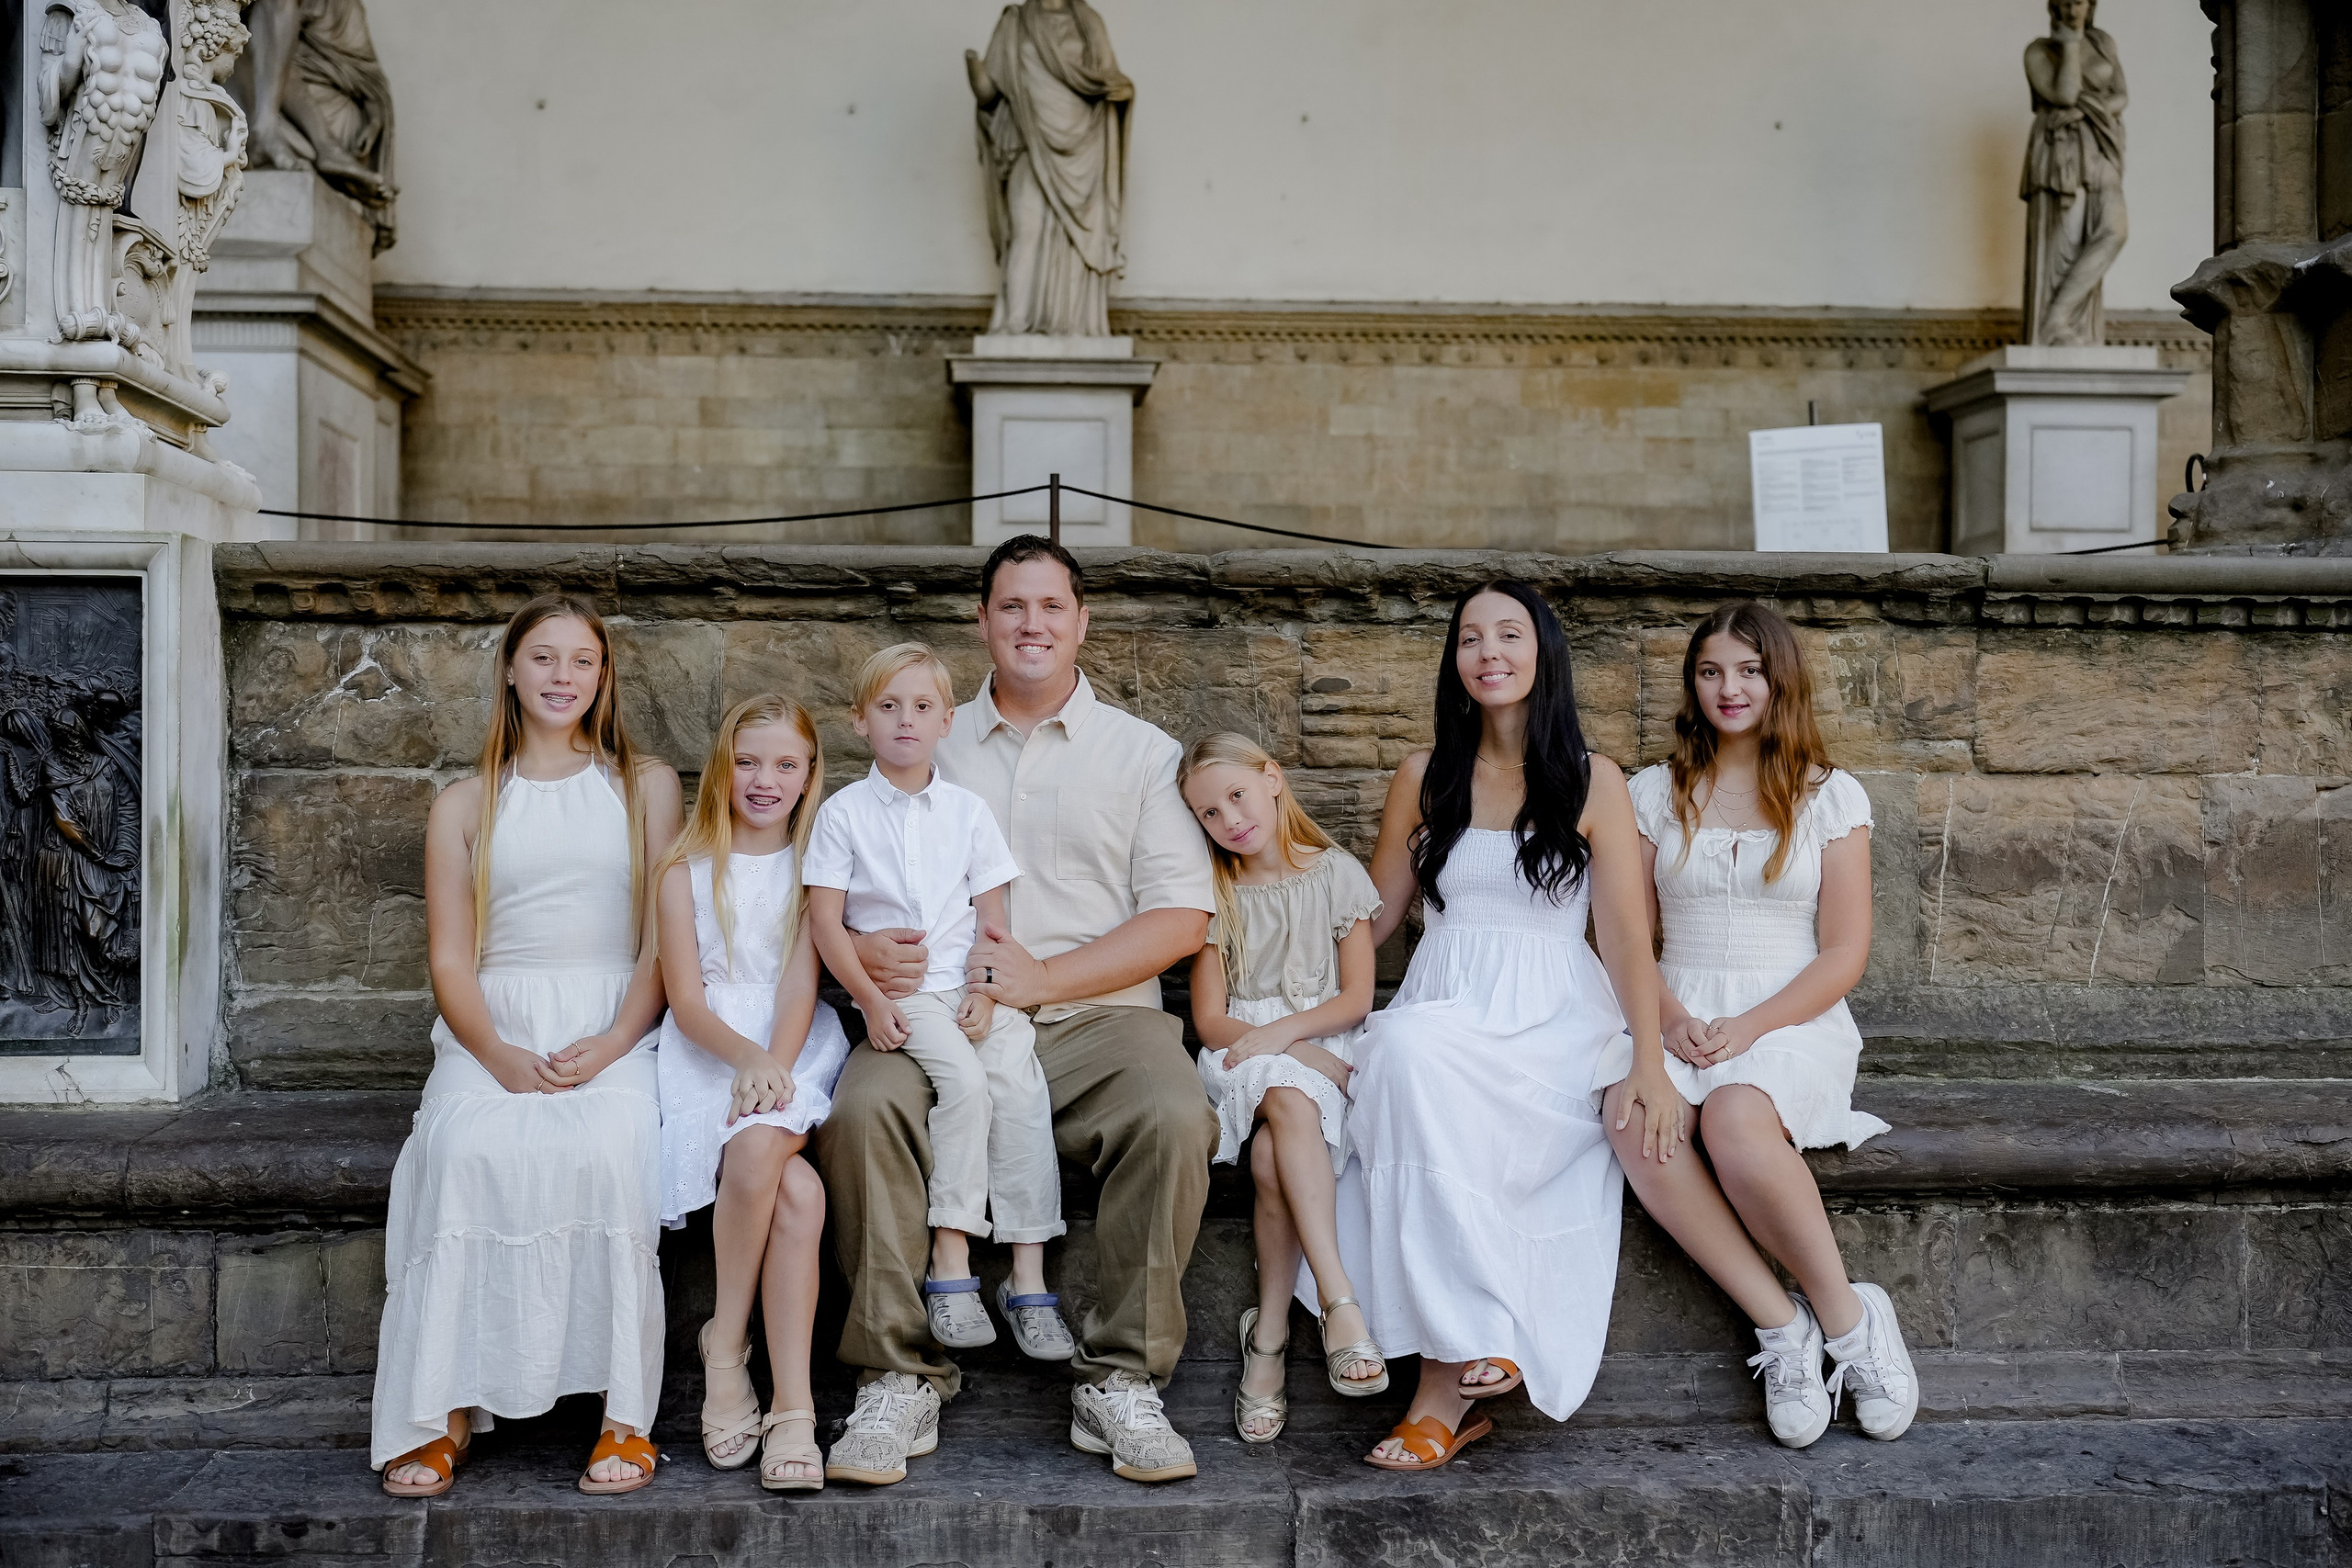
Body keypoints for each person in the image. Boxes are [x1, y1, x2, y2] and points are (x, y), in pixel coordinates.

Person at [815, 535, 1216, 1488]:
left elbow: (1181, 917)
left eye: (1050, 607)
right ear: (982, 621)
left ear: (1081, 622)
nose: (1031, 624)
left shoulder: (1141, 755)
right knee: (864, 1112)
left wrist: (1047, 980)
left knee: (1172, 1114)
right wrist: (866, 954)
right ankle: (896, 1374)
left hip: (1096, 1019)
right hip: (935, 1009)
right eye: (1010, 607)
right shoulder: (921, 731)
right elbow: (840, 881)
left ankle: (1119, 1377)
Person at [1344, 580, 1679, 1472]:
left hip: (1553, 1017)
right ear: (1454, 663)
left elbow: (1623, 939)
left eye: (1508, 634)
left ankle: (1436, 1400)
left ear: (1542, 655)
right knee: (1409, 1054)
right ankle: (1473, 1343)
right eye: (1469, 638)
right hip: (1447, 1000)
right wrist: (1258, 909)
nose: (1488, 651)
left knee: (1430, 1072)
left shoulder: (1592, 781)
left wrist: (1647, 1062)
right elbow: (1371, 920)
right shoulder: (1423, 777)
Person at [373, 593, 681, 1499]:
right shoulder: (465, 803)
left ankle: (624, 1414)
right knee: (464, 1151)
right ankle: (443, 1413)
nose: (561, 676)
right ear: (511, 669)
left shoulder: (645, 785)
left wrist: (620, 1035)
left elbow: (666, 941)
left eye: (580, 660)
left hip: (614, 1013)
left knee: (609, 1150)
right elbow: (449, 958)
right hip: (492, 1024)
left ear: (603, 676)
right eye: (542, 658)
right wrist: (501, 1057)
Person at [1593, 602, 1917, 1448]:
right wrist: (1666, 1020)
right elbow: (1623, 932)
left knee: (1737, 1114)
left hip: (1790, 1013)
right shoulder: (1649, 793)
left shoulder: (1828, 794)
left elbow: (1844, 951)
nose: (1728, 688)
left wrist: (1746, 1028)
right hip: (1673, 1004)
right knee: (1634, 1120)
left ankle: (1851, 1323)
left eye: (1747, 670)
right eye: (1710, 671)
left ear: (1779, 680)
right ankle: (1782, 1326)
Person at [805, 643, 1073, 1384]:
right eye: (888, 706)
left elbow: (993, 913)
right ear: (860, 720)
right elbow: (826, 924)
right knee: (964, 1085)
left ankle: (1026, 1274)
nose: (905, 720)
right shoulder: (843, 814)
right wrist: (868, 997)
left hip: (969, 990)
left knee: (1020, 1088)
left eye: (922, 707)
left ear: (946, 720)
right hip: (906, 995)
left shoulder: (965, 809)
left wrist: (987, 990)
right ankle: (950, 1262)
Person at [651, 694, 851, 1490]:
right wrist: (742, 1057)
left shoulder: (815, 868)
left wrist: (773, 1060)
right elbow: (687, 999)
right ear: (723, 768)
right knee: (797, 1196)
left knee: (765, 1139)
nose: (765, 779)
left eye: (786, 764)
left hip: (794, 1045)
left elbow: (802, 984)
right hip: (709, 1051)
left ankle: (731, 1348)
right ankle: (783, 1397)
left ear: (808, 776)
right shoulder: (682, 869)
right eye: (748, 761)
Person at [1180, 732, 1386, 1445]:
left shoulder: (1336, 873)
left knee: (1272, 1156)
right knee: (1289, 1092)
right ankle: (1339, 1303)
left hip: (1325, 1040)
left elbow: (1357, 996)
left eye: (1236, 794)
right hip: (1243, 1049)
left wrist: (1297, 1041)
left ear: (1271, 779)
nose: (1228, 818)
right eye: (1208, 812)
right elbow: (1210, 1019)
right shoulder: (1214, 893)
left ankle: (1266, 1333)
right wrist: (1284, 1045)